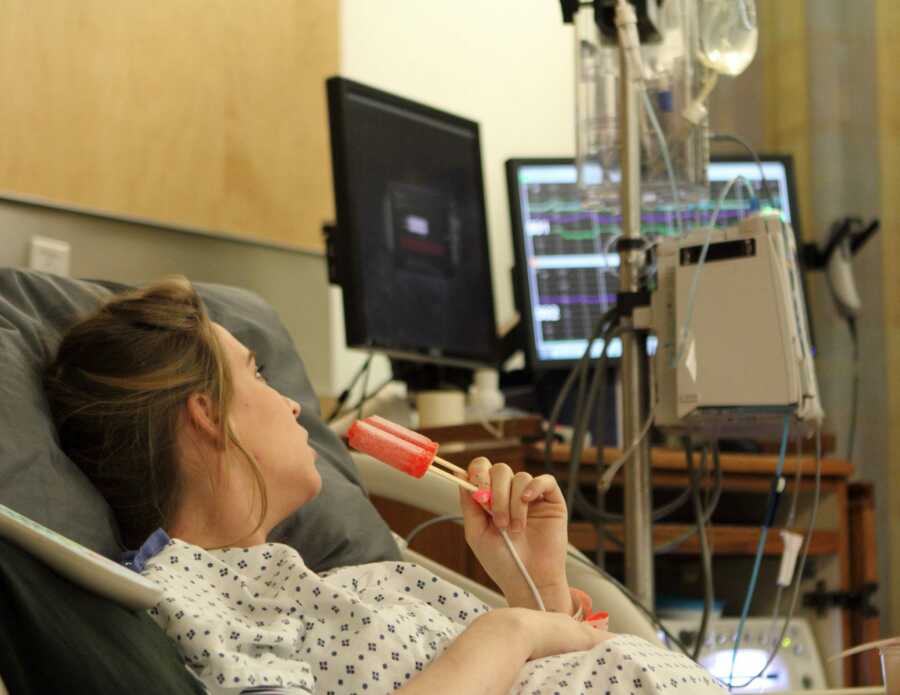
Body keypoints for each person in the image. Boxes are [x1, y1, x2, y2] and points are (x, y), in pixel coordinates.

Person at [44, 277, 725, 695]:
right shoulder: (194, 596)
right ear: (207, 413)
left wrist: (532, 580)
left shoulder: (332, 580)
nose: (289, 404)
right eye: (255, 375)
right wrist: (508, 628)